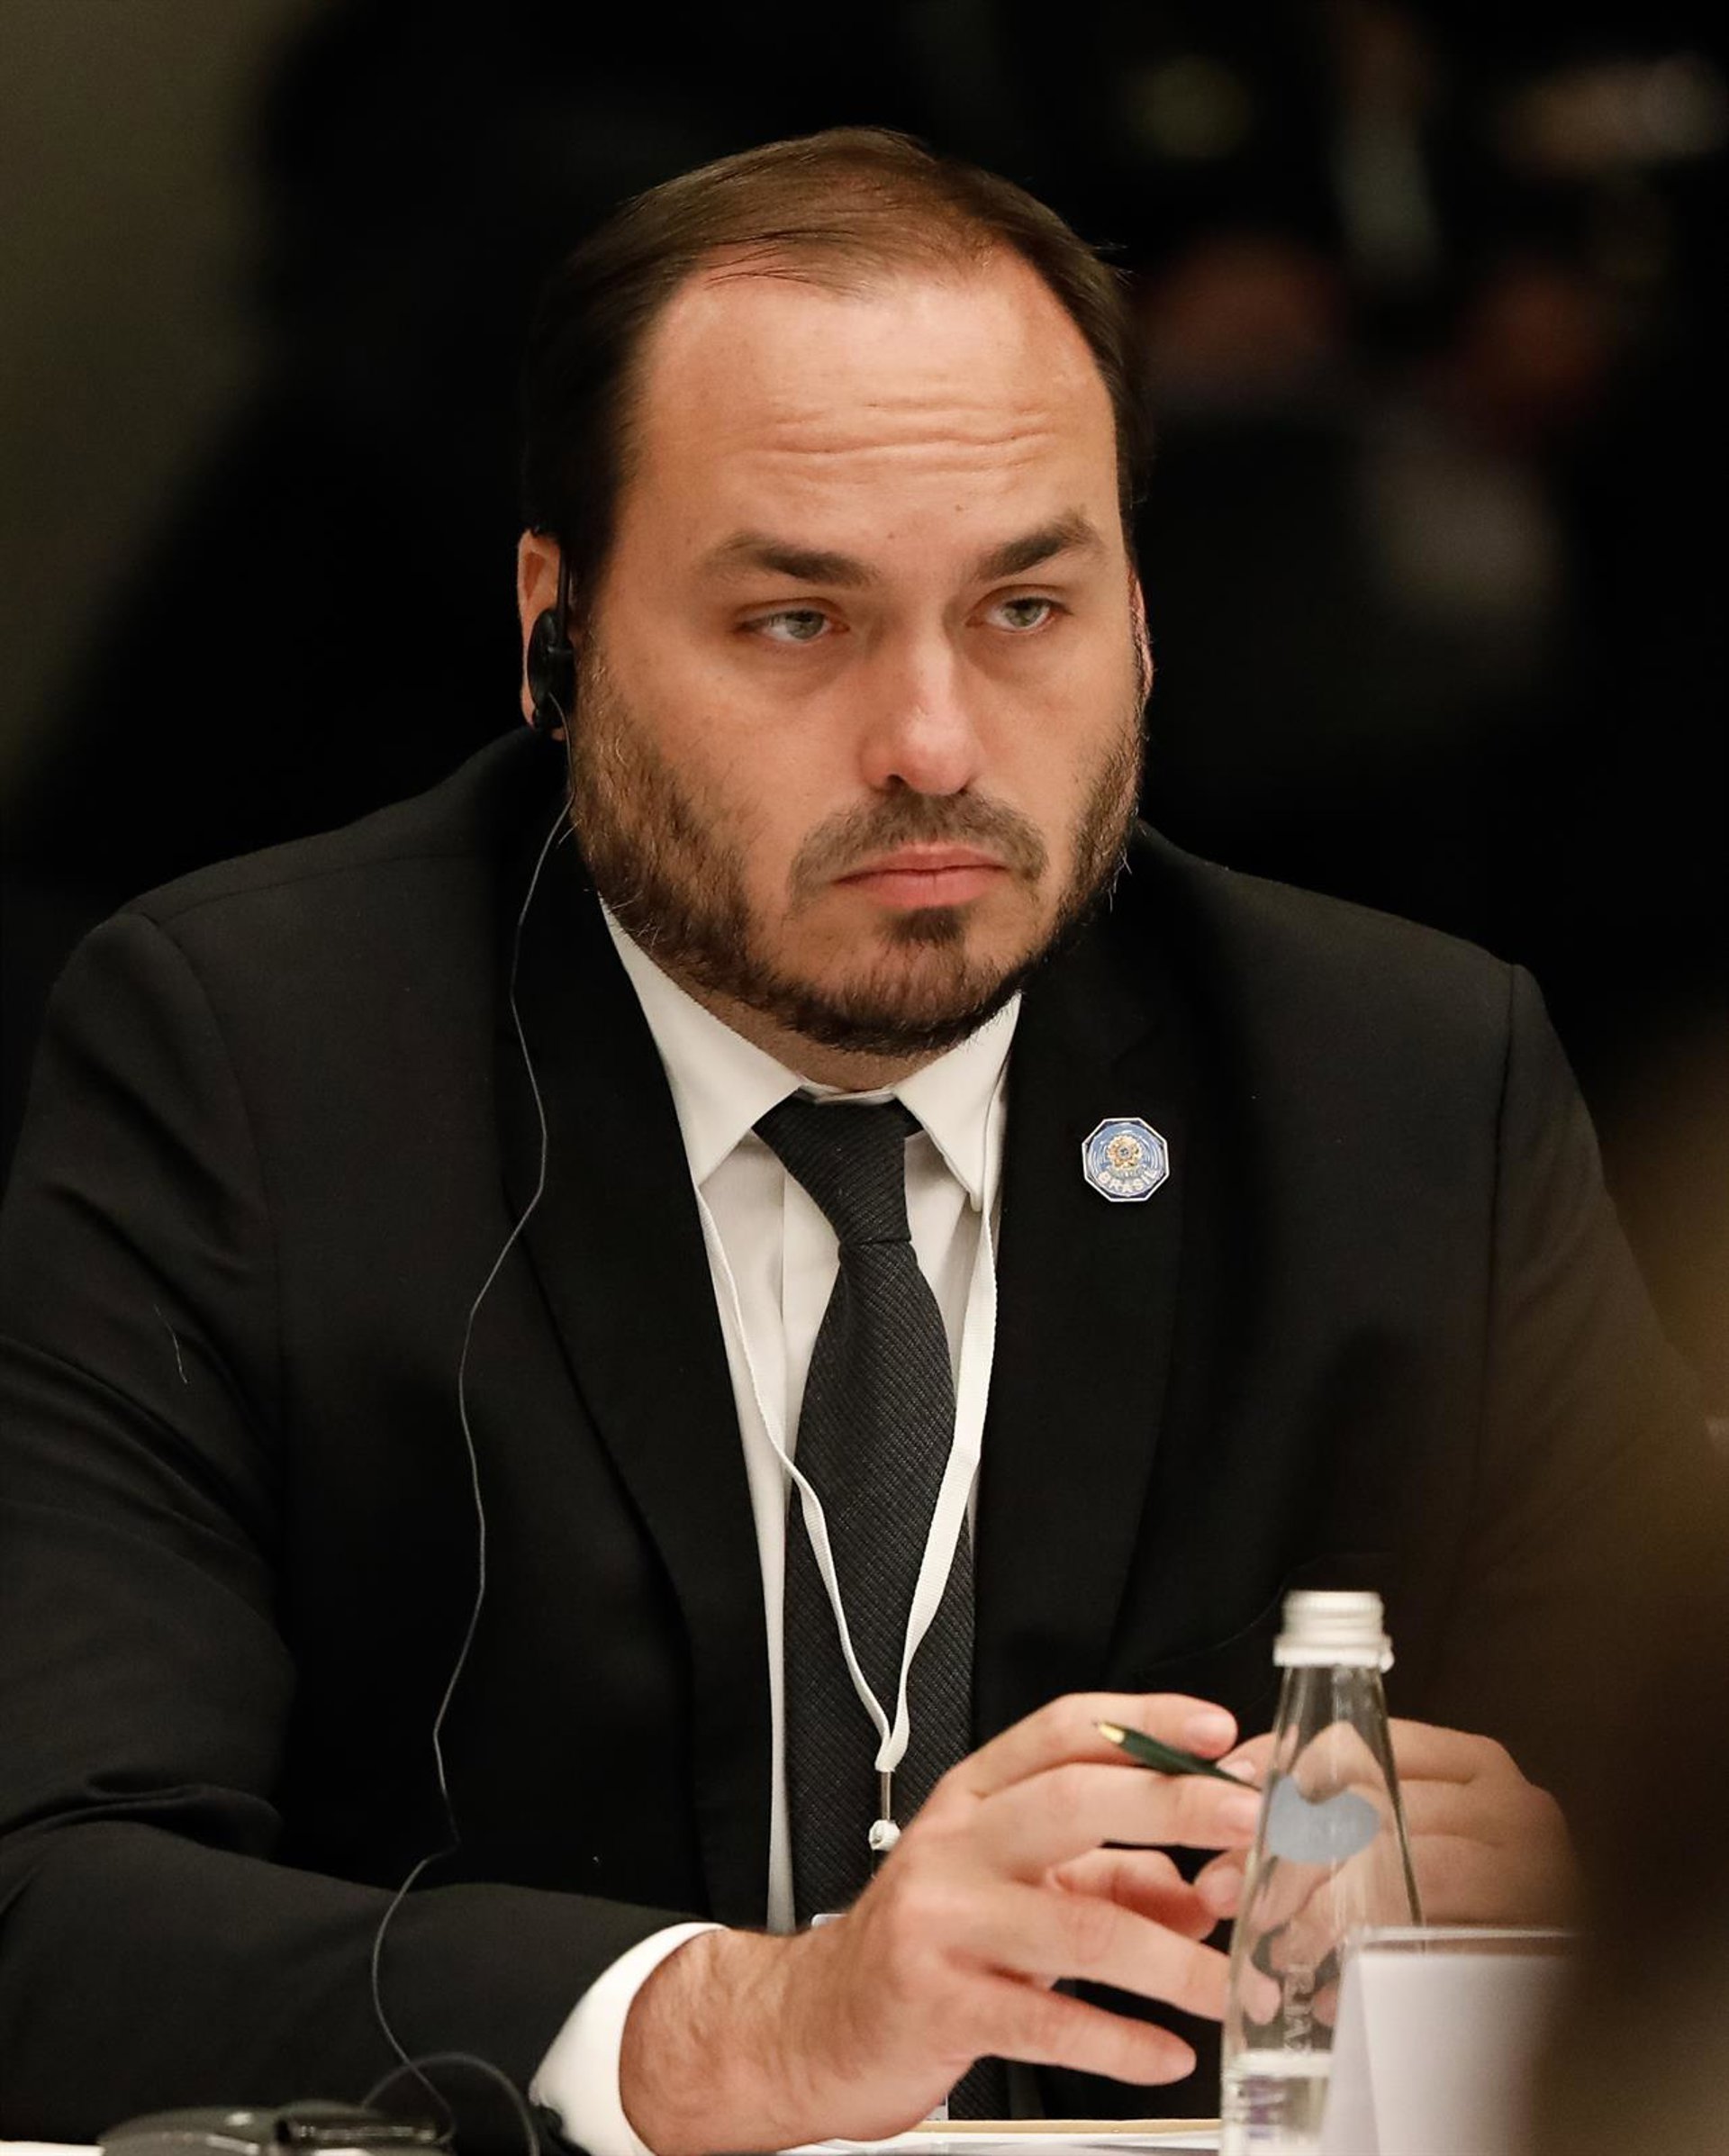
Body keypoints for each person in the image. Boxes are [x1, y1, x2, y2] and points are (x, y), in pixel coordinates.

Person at [0, 130, 1704, 2154]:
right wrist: (737, 2026)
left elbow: (1668, 1832)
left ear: (1142, 619)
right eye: (799, 621)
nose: (934, 745)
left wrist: (1577, 1908)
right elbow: (47, 1903)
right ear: (555, 632)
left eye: (1026, 606)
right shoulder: (255, 1063)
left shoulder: (1401, 1085)